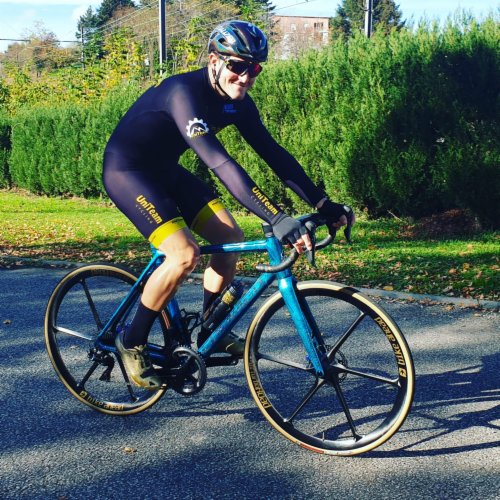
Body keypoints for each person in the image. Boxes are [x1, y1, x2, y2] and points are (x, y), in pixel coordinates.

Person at [102, 20, 354, 390]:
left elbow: (274, 155)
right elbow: (220, 164)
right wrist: (276, 217)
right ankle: (131, 339)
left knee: (230, 239)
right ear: (214, 61)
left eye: (255, 69)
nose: (246, 77)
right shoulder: (182, 94)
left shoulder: (239, 104)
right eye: (237, 65)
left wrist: (323, 203)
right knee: (184, 254)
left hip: (166, 170)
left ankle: (210, 328)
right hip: (128, 172)